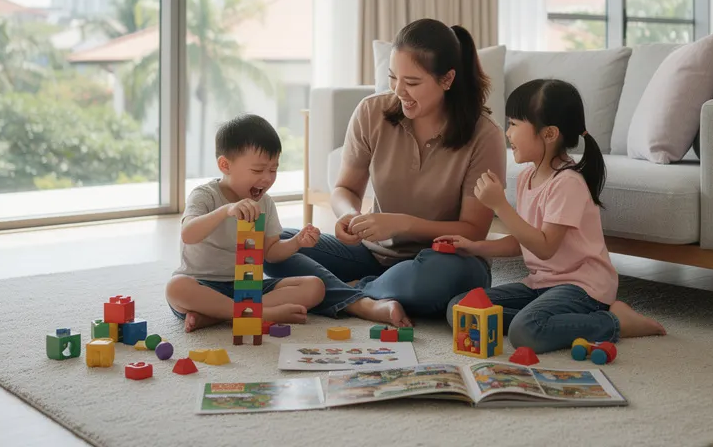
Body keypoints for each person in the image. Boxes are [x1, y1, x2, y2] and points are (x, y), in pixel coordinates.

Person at [266, 19, 506, 327]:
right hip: (372, 255)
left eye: (413, 82)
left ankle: (349, 291)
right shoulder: (371, 112)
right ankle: (364, 301)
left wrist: (403, 225)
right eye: (393, 78)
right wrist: (349, 216)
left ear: (447, 79)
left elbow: (473, 230)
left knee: (442, 280)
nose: (399, 90)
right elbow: (345, 190)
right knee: (272, 244)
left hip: (442, 260)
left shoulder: (484, 136)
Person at [438, 79, 665, 353]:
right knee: (461, 309)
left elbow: (544, 247)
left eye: (513, 124)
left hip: (582, 287)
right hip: (541, 284)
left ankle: (614, 321)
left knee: (526, 331)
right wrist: (473, 246)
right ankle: (555, 321)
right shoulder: (526, 178)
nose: (507, 133)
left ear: (549, 134)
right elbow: (523, 241)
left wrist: (500, 206)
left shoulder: (567, 182)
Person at [166, 114, 325, 332]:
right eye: (258, 170)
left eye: (273, 169)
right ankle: (258, 312)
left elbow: (270, 252)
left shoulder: (266, 204)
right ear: (225, 165)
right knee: (176, 288)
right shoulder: (205, 195)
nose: (268, 178)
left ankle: (220, 316)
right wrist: (225, 211)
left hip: (248, 287)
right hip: (203, 285)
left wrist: (297, 242)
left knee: (314, 286)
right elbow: (188, 234)